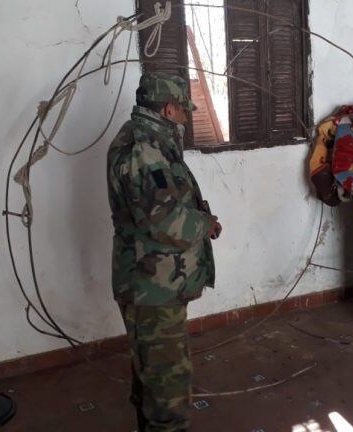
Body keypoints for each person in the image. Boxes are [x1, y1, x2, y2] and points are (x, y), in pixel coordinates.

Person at [107, 72, 221, 432]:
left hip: (155, 284)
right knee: (167, 385)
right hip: (151, 287)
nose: (187, 117)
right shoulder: (146, 149)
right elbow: (166, 221)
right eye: (184, 111)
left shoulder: (149, 140)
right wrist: (206, 223)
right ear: (169, 109)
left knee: (152, 374)